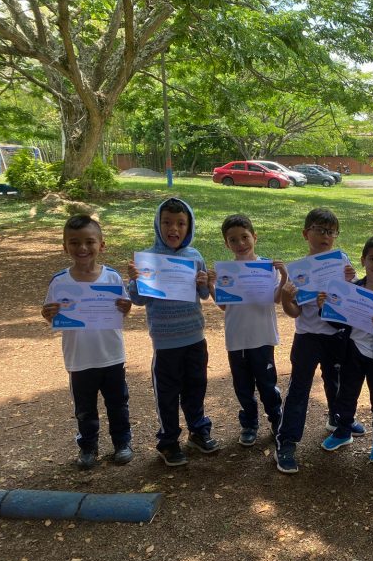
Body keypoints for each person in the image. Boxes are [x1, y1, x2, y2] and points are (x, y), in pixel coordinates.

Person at [127, 197, 218, 467]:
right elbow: (138, 300)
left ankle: (198, 431)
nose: (173, 229)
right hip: (165, 342)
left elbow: (204, 295)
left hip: (194, 338)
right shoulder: (148, 259)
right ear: (158, 224)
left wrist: (204, 282)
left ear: (189, 226)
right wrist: (134, 281)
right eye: (167, 222)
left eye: (180, 223)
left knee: (196, 388)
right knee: (167, 394)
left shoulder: (194, 256)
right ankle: (168, 441)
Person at [41, 215, 133, 469]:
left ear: (101, 245)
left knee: (118, 404)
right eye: (74, 242)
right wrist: (48, 314)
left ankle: (122, 443)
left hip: (111, 355)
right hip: (79, 358)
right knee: (84, 409)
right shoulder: (60, 282)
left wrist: (126, 308)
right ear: (65, 247)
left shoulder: (112, 278)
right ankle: (88, 447)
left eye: (89, 242)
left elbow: (123, 309)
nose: (82, 248)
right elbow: (51, 314)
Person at [274, 207, 356, 474]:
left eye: (331, 232)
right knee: (299, 388)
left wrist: (348, 282)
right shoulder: (298, 270)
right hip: (308, 336)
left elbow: (350, 300)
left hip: (335, 335)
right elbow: (294, 312)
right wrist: (286, 298)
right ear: (305, 234)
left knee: (335, 382)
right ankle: (286, 442)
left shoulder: (341, 260)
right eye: (320, 230)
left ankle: (337, 419)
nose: (326, 236)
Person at [209, 214, 287, 447]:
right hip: (237, 339)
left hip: (262, 338)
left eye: (245, 237)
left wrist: (283, 276)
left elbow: (276, 299)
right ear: (226, 244)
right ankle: (249, 423)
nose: (240, 243)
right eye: (233, 240)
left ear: (254, 236)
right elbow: (224, 305)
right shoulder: (227, 271)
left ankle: (276, 420)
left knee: (267, 384)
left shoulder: (267, 268)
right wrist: (211, 286)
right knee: (243, 387)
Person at [319, 235, 373, 463]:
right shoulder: (352, 289)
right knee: (346, 394)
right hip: (352, 352)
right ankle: (343, 431)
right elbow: (338, 322)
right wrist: (325, 308)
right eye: (372, 258)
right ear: (363, 260)